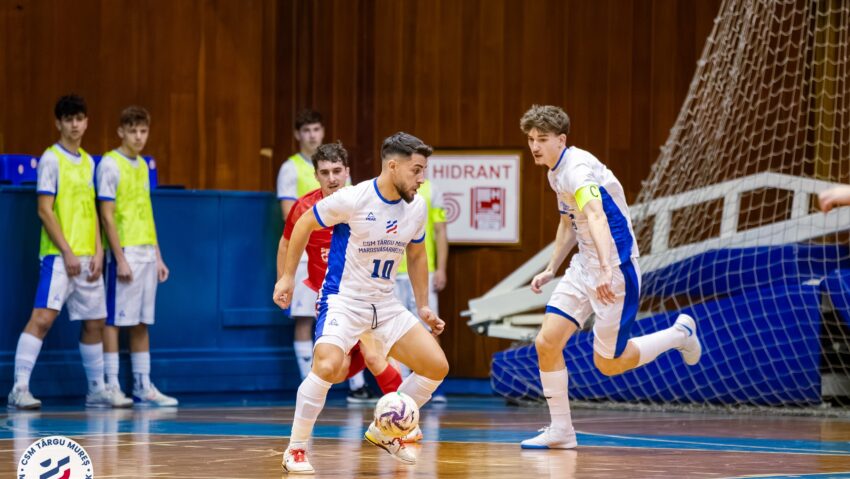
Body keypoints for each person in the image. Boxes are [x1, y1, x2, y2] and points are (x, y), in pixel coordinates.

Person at [519, 105, 702, 449]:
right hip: (585, 264)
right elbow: (568, 222)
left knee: (608, 364)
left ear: (562, 140)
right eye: (530, 139)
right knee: (547, 342)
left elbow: (597, 216)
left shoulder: (577, 171)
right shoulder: (554, 172)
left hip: (616, 269)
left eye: (542, 139)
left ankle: (679, 334)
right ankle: (562, 431)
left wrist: (605, 269)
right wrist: (551, 268)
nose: (535, 146)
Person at [273, 132, 449, 473]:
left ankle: (387, 429)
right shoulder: (353, 198)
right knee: (326, 366)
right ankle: (296, 449)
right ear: (393, 166)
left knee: (436, 366)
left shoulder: (417, 206)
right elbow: (304, 222)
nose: (421, 178)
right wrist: (286, 277)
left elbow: (416, 256)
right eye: (416, 170)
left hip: (385, 303)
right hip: (344, 300)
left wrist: (423, 305)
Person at [7, 94, 130, 409]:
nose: (75, 125)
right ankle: (19, 388)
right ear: (58, 123)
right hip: (59, 257)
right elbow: (45, 211)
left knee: (95, 322)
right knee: (43, 318)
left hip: (90, 258)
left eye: (80, 118)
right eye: (68, 119)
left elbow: (92, 209)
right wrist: (68, 252)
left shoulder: (90, 162)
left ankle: (96, 390)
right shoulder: (51, 159)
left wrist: (99, 252)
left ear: (87, 122)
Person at [276, 110, 374, 402]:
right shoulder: (291, 169)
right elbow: (290, 226)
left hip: (344, 257)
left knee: (360, 330)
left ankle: (359, 386)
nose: (312, 134)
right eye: (306, 130)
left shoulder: (348, 183)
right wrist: (285, 277)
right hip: (308, 252)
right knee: (306, 318)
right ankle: (311, 380)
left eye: (316, 129)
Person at [96, 106, 177, 407]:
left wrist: (158, 255)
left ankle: (143, 385)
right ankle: (111, 385)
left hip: (145, 251)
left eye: (143, 131)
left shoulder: (143, 165)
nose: (139, 136)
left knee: (142, 321)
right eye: (133, 131)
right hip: (125, 251)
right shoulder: (109, 164)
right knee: (114, 320)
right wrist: (119, 258)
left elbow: (147, 211)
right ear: (121, 131)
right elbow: (106, 214)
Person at [394, 178, 449, 402]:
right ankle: (399, 384)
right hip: (392, 272)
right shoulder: (388, 189)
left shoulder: (431, 189)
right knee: (395, 331)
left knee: (430, 326)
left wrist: (441, 269)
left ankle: (433, 379)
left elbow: (441, 231)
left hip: (423, 270)